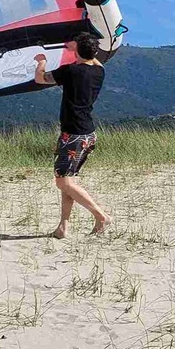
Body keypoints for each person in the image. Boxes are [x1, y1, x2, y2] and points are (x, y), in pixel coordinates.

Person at [34, 32, 111, 238]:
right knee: (68, 181)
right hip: (88, 133)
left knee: (63, 182)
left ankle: (101, 216)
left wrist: (41, 61)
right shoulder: (99, 70)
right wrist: (76, 46)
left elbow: (40, 78)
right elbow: (92, 58)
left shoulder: (70, 71)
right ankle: (63, 227)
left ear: (78, 49)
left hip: (73, 134)